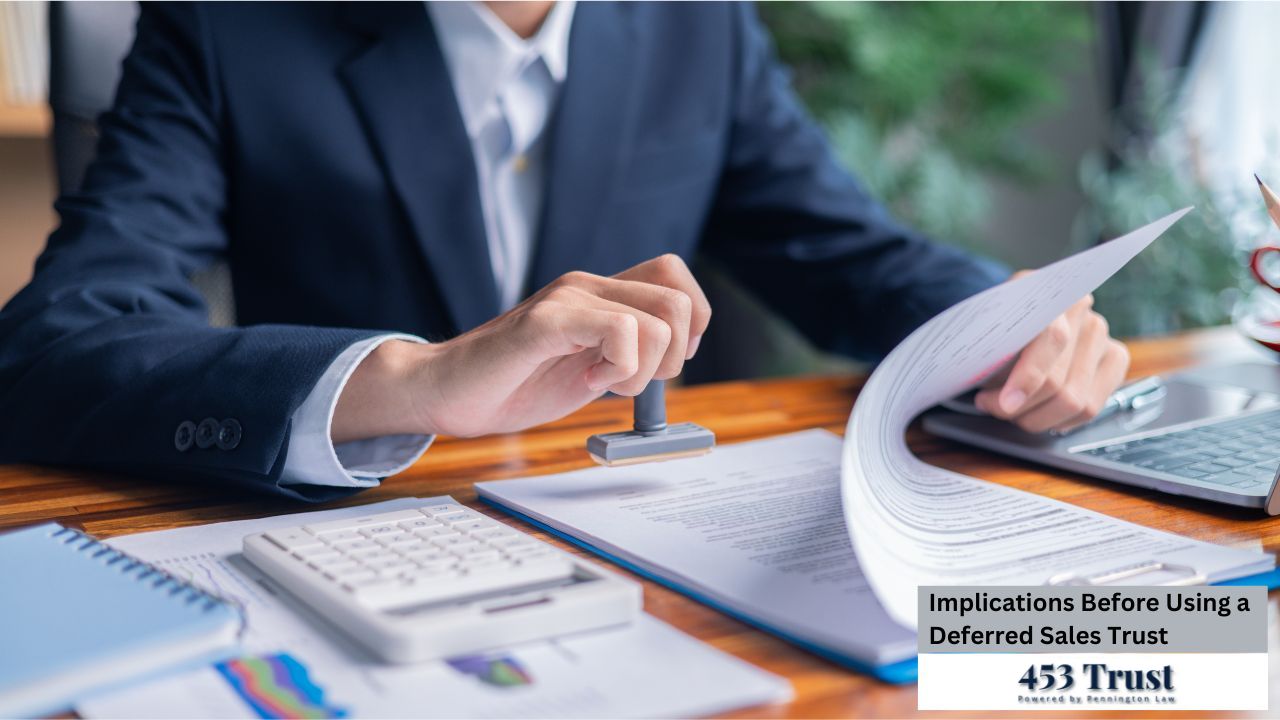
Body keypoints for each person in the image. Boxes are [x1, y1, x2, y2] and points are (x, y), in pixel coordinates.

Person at [0, 2, 1128, 500]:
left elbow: (843, 254)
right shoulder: (225, 23)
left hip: (647, 540)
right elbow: (52, 349)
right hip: (373, 540)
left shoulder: (694, 21)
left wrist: (1006, 325)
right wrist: (412, 381)